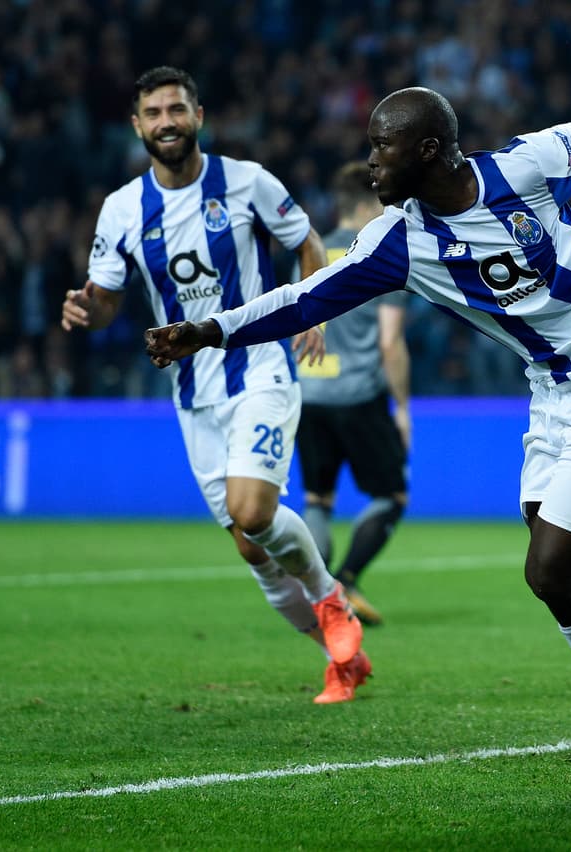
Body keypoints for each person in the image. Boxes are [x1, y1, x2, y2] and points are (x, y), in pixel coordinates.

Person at [144, 77, 571, 791]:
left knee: (552, 569)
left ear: (429, 150)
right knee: (561, 586)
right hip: (553, 393)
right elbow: (305, 298)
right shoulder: (397, 240)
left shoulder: (527, 167)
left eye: (382, 146)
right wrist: (210, 330)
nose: (369, 162)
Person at [62, 66, 368, 705]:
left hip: (260, 366)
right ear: (137, 125)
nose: (166, 121)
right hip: (193, 395)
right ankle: (340, 659)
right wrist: (87, 310)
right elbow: (109, 302)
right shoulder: (122, 209)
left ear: (198, 115)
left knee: (252, 511)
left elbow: (306, 241)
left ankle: (333, 600)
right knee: (252, 549)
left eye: (177, 108)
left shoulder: (247, 182)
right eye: (154, 112)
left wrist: (312, 313)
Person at [296, 161, 411, 626]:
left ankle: (321, 594)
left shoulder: (311, 253)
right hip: (360, 396)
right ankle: (345, 581)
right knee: (392, 496)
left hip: (310, 392)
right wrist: (402, 406)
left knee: (317, 499)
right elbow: (390, 341)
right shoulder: (382, 255)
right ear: (368, 205)